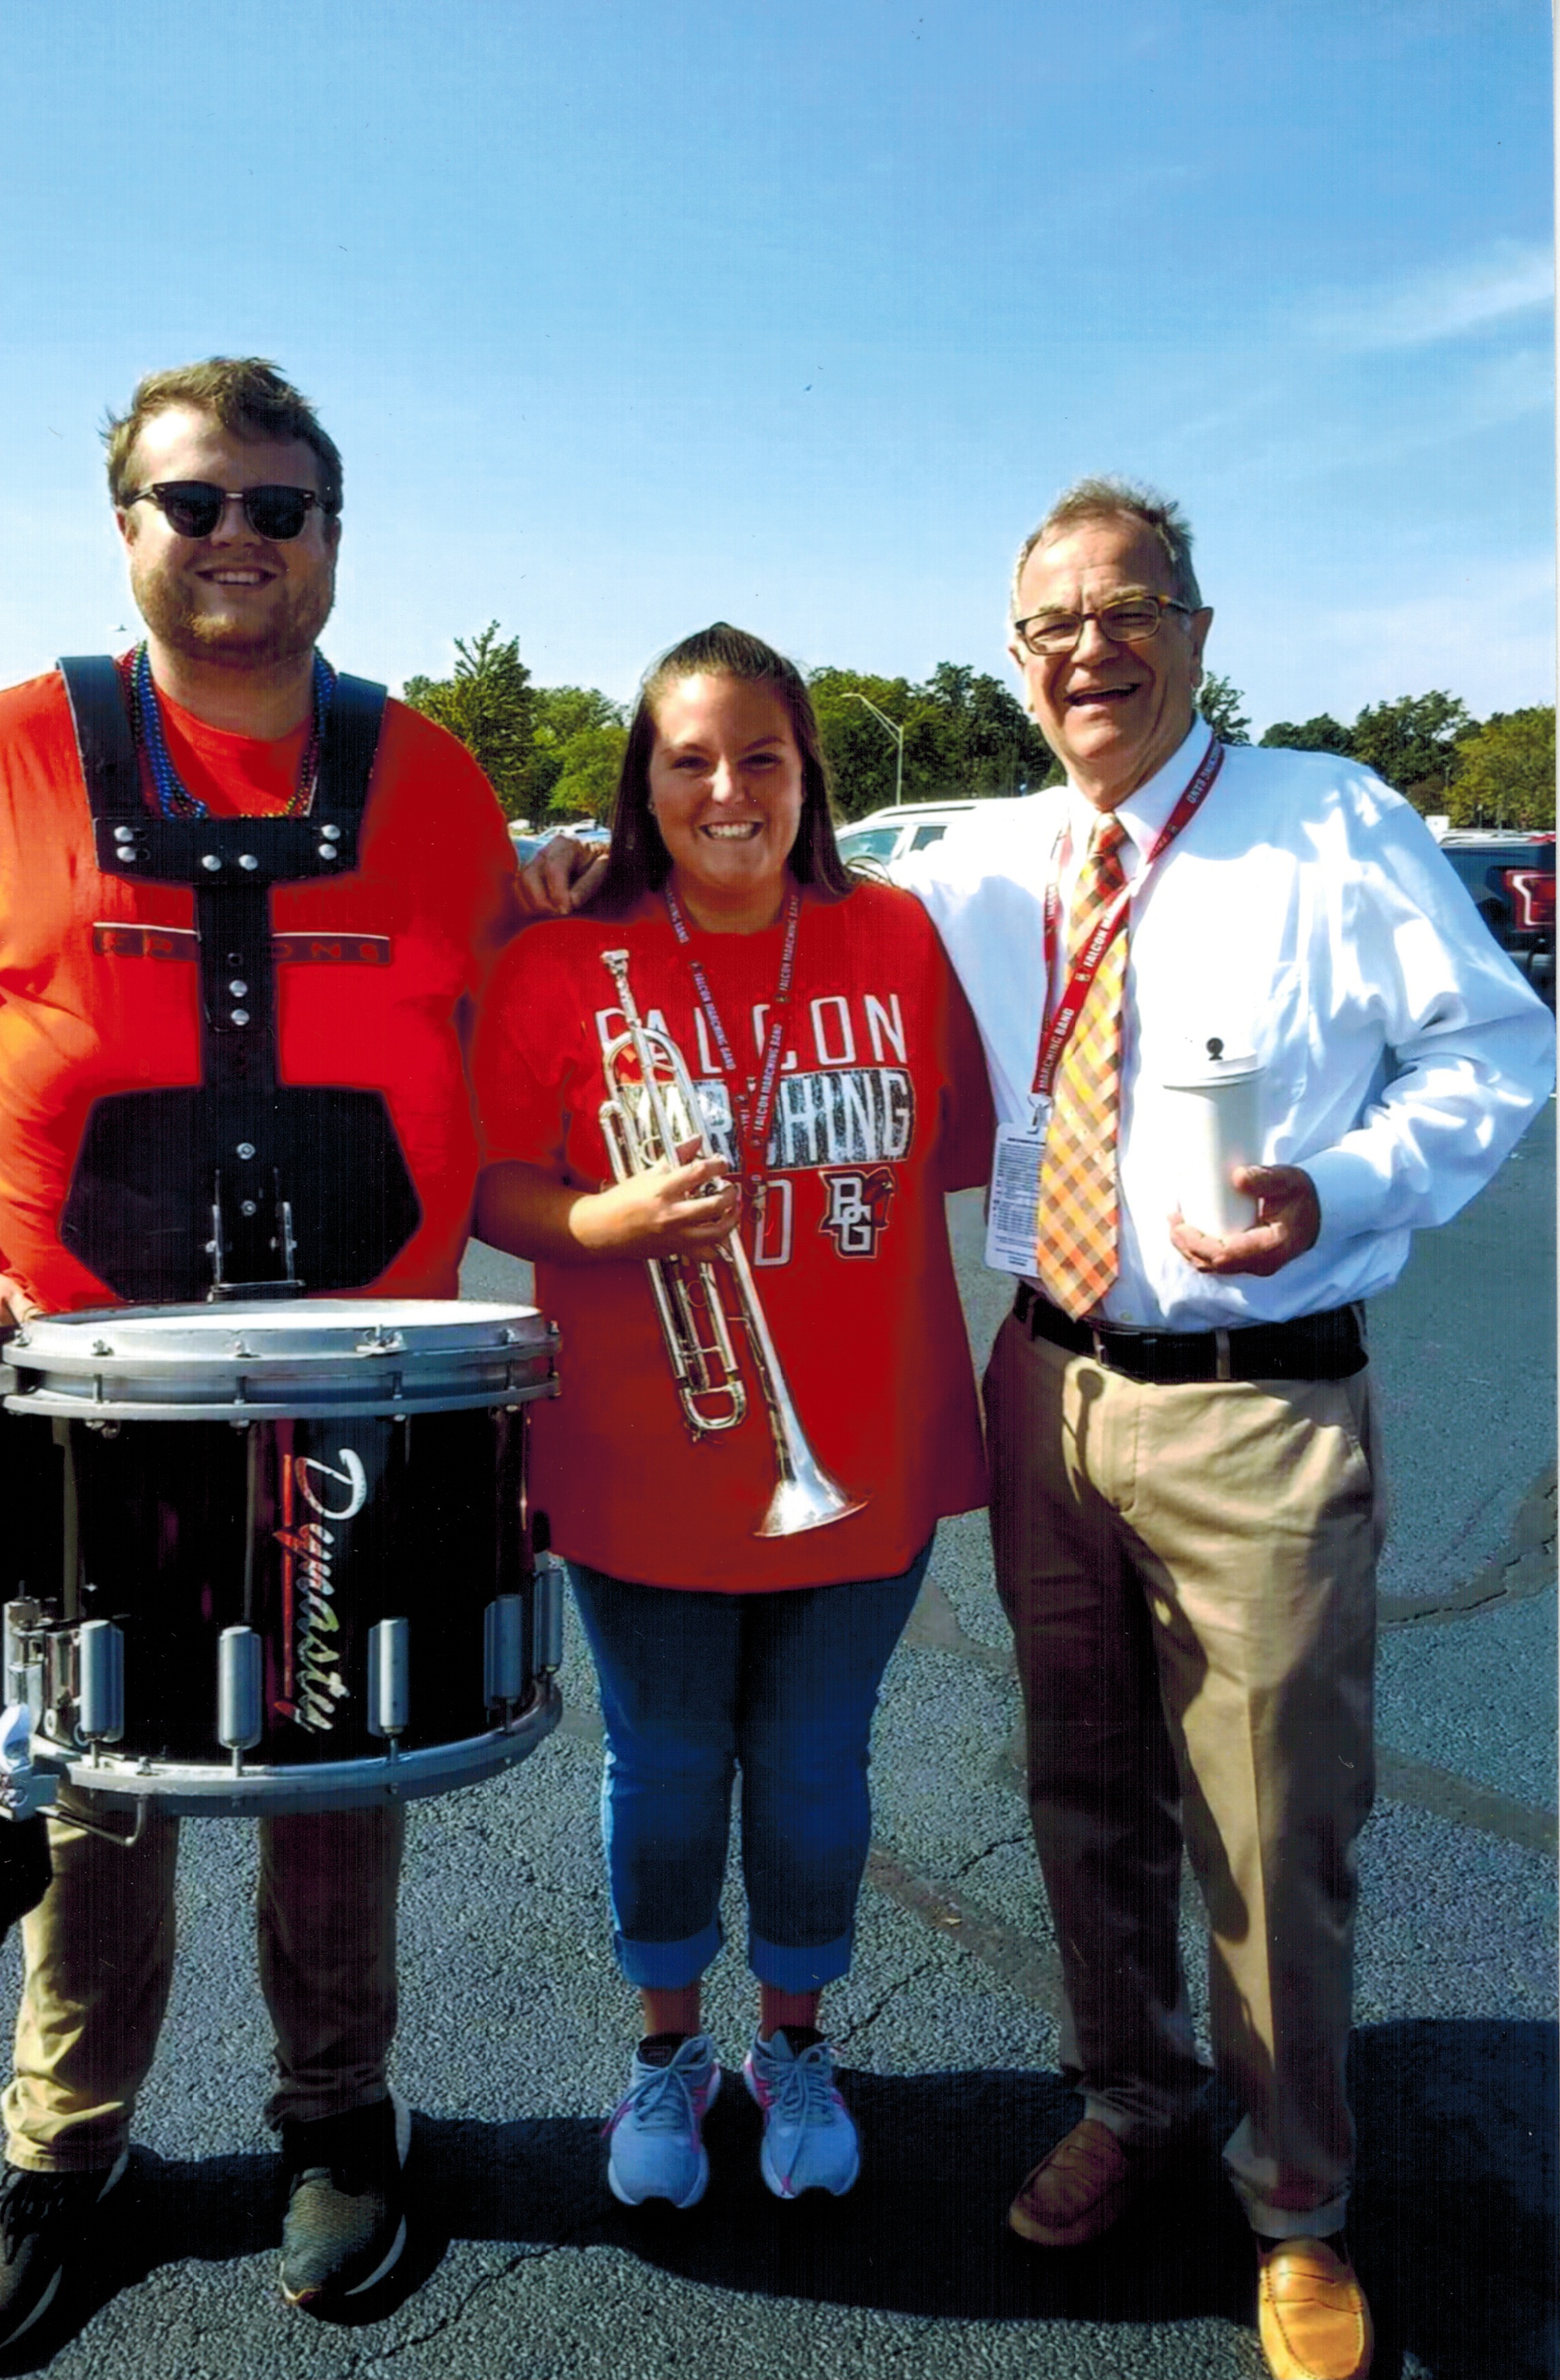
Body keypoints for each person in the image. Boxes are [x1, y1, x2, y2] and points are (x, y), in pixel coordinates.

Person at [889, 479, 1554, 2380]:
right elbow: (772, 908)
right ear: (1015, 660)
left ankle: (1295, 2197)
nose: (1089, 650)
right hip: (1047, 1377)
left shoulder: (1327, 818)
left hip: (1259, 1395)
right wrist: (580, 886)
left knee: (1271, 1823)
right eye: (1052, 625)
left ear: (1195, 629)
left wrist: (1339, 1187)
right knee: (1081, 1790)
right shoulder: (985, 860)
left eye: (1129, 610)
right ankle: (1132, 2093)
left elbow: (1498, 1046)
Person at [0, 358, 520, 2337]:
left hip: (351, 1390)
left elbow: (533, 1003)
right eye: (196, 501)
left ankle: (339, 2119)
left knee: (336, 1758)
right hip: (80, 1388)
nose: (240, 537)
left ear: (332, 538)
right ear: (124, 526)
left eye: (279, 507)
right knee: (90, 1784)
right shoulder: (17, 749)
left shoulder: (436, 778)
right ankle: (65, 2150)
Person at [474, 624, 990, 2210]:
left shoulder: (897, 934)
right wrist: (603, 1221)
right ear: (642, 782)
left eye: (761, 754)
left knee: (819, 1769)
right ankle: (666, 2049)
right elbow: (491, 1181)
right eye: (688, 758)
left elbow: (975, 1144)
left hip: (863, 1458)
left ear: (809, 774)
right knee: (666, 1768)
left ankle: (795, 2040)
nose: (727, 789)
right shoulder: (562, 959)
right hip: (640, 1465)